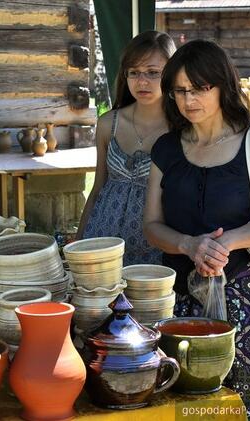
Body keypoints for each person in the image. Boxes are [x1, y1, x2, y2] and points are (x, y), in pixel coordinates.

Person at [143, 40, 250, 419]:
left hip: (249, 301)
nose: (188, 100)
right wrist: (188, 244)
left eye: (200, 88)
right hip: (180, 298)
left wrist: (228, 241)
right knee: (186, 402)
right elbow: (151, 226)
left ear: (222, 86)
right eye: (180, 91)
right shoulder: (166, 149)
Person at [77, 31, 175, 266]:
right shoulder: (108, 123)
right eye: (134, 72)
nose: (142, 82)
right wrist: (78, 241)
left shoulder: (182, 130)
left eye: (153, 73)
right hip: (103, 237)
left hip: (154, 246)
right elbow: (98, 186)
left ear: (171, 73)